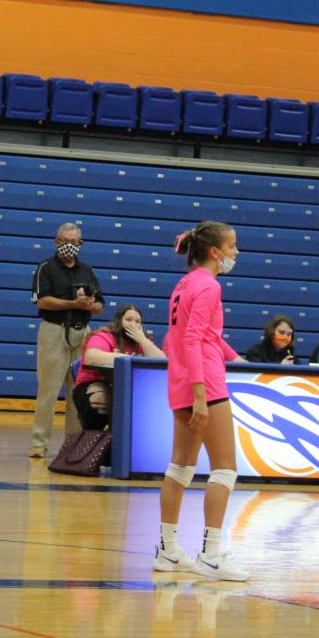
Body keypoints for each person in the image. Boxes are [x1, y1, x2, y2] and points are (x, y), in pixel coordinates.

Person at [156, 220, 249, 582]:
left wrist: (233, 356)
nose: (235, 253)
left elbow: (187, 337)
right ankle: (211, 554)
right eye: (233, 247)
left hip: (180, 380)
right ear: (215, 252)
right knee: (225, 469)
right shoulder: (209, 286)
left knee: (179, 468)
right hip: (205, 384)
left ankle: (168, 550)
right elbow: (194, 339)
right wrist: (200, 393)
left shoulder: (184, 283)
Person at [28, 223, 103, 458]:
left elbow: (100, 304)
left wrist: (90, 305)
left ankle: (75, 442)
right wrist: (73, 304)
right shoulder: (46, 268)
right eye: (65, 241)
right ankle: (39, 443)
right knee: (48, 391)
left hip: (82, 333)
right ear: (57, 242)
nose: (70, 245)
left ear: (81, 244)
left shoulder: (87, 271)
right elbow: (42, 301)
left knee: (78, 392)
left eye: (74, 241)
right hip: (54, 331)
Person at [71, 304, 165, 431]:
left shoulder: (143, 341)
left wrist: (142, 340)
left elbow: (163, 361)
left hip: (129, 389)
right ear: (119, 321)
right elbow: (91, 356)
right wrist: (128, 358)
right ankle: (96, 442)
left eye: (138, 322)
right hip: (93, 384)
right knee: (100, 401)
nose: (133, 324)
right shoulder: (104, 335)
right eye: (129, 320)